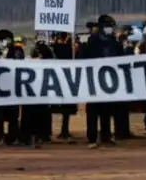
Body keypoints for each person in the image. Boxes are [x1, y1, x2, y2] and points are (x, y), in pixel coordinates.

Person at [80, 15, 123, 148]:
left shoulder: (114, 42)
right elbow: (83, 58)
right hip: (94, 80)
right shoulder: (92, 42)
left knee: (107, 110)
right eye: (108, 26)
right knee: (93, 109)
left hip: (110, 81)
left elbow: (122, 57)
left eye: (111, 26)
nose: (110, 29)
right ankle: (92, 137)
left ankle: (106, 135)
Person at [19, 37, 55, 147]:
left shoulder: (27, 61)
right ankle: (37, 138)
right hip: (39, 95)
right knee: (39, 118)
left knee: (31, 118)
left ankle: (31, 138)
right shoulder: (46, 63)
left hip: (32, 95)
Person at [47, 30, 78, 143]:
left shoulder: (56, 47)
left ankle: (60, 130)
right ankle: (60, 130)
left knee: (63, 107)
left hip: (61, 79)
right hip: (61, 79)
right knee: (59, 108)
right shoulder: (67, 47)